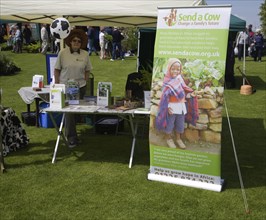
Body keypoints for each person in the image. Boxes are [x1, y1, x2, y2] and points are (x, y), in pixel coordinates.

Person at [54, 28, 92, 148]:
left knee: (77, 112)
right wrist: (57, 84)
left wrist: (85, 81)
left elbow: (88, 70)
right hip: (67, 87)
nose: (76, 43)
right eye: (74, 40)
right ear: (70, 41)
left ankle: (73, 135)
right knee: (69, 113)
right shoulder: (63, 53)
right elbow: (57, 69)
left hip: (80, 87)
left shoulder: (85, 54)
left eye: (79, 41)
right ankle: (71, 138)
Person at [155, 58, 198, 149]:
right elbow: (165, 97)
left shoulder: (180, 79)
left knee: (180, 124)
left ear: (180, 70)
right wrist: (167, 107)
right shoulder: (167, 81)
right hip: (172, 108)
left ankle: (178, 139)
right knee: (170, 124)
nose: (175, 71)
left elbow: (184, 93)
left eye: (178, 69)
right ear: (169, 69)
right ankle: (168, 139)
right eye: (173, 69)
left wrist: (191, 94)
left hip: (181, 107)